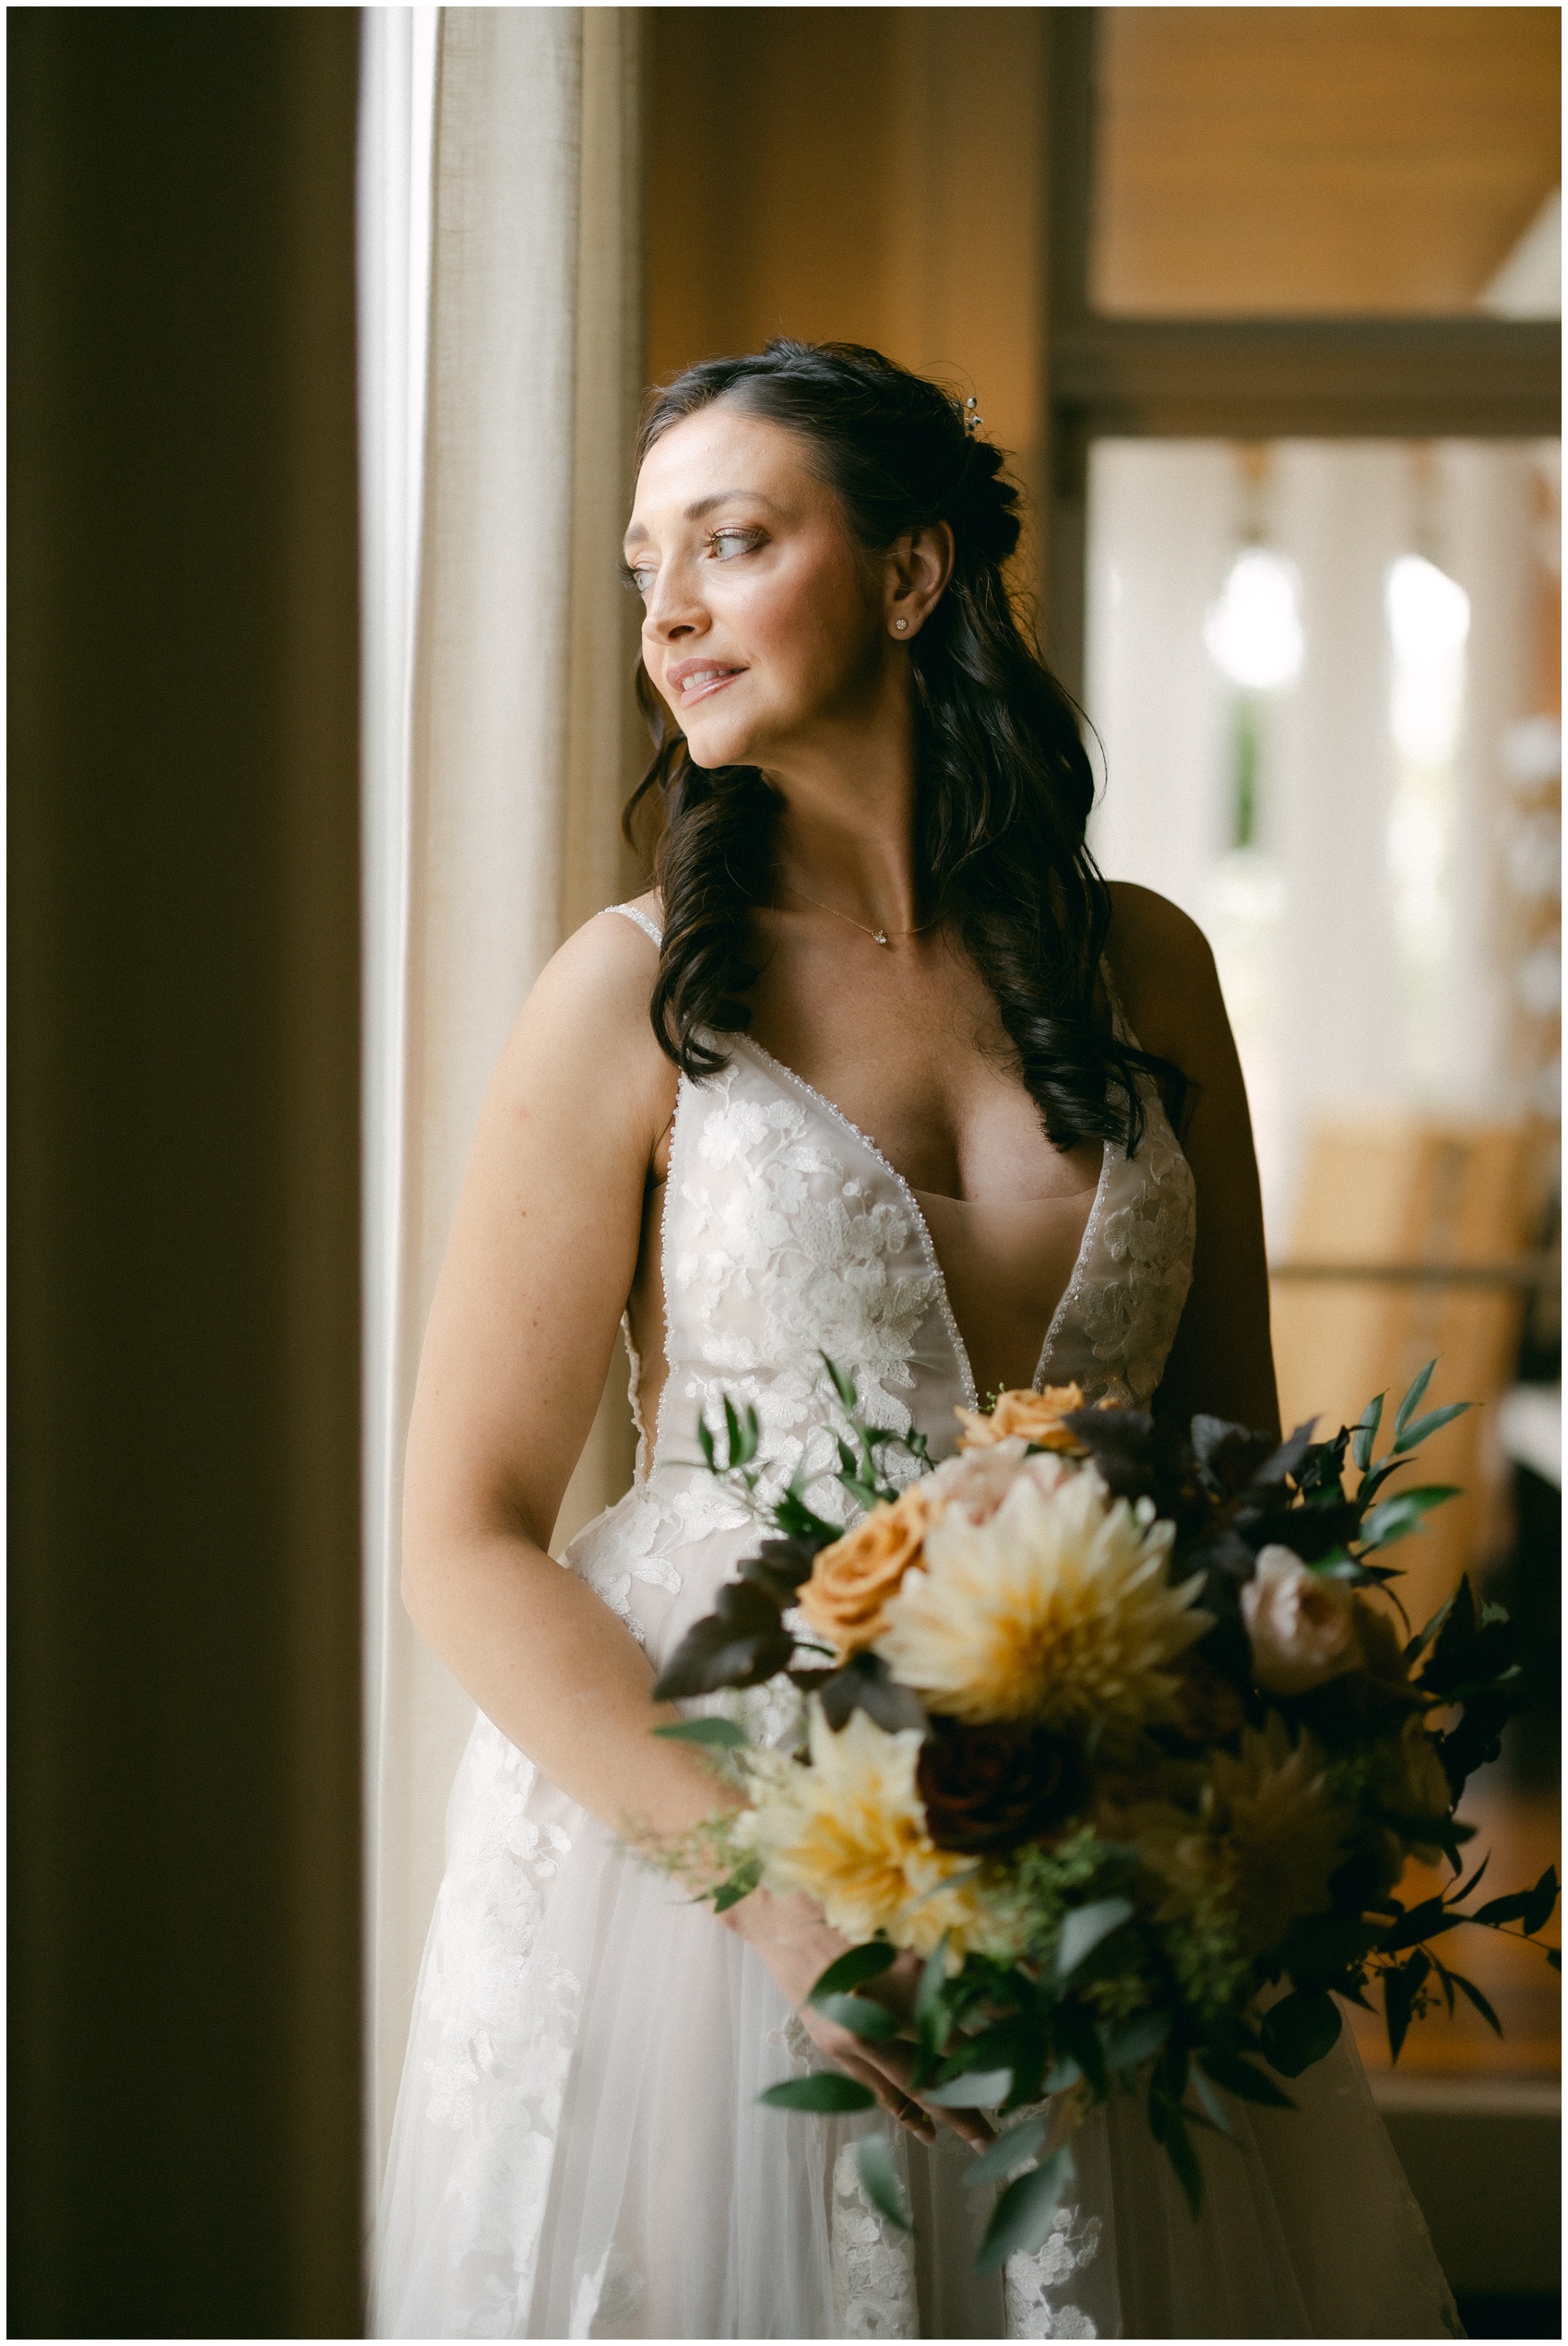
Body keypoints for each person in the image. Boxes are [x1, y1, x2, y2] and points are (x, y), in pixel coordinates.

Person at [373, 340, 1458, 2339]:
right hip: (714, 1851)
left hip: (1093, 1825)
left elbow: (1236, 1471)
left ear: (907, 574)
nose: (670, 611)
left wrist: (1299, 1735)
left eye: (733, 541)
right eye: (645, 571)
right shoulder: (627, 997)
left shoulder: (1144, 964)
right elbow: (462, 1529)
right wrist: (771, 1897)